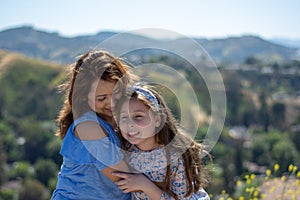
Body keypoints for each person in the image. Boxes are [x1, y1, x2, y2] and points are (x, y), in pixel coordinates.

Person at [51, 49, 135, 200]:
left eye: (117, 93)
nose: (112, 103)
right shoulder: (88, 127)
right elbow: (122, 177)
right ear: (83, 97)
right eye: (102, 98)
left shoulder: (119, 120)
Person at [112, 83, 211, 199]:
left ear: (158, 120)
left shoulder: (175, 157)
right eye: (124, 117)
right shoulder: (125, 148)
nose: (130, 124)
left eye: (138, 116)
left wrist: (144, 185)